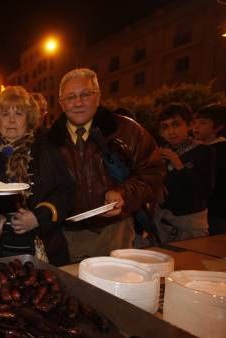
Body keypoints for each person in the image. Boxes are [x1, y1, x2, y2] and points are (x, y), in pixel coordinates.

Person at [47, 68, 164, 262]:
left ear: (98, 97)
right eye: (70, 97)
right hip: (66, 235)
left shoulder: (126, 130)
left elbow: (153, 173)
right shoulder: (49, 140)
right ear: (61, 103)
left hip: (115, 231)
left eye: (85, 94)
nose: (78, 103)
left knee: (117, 287)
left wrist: (123, 194)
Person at [0, 86, 74, 265]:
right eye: (5, 113)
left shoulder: (46, 148)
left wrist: (39, 217)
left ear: (29, 119)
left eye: (19, 114)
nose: (11, 120)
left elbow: (66, 191)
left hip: (42, 245)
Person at [155, 103, 215, 242]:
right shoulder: (160, 153)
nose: (171, 131)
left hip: (191, 223)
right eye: (165, 127)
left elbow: (205, 190)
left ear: (189, 125)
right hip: (162, 222)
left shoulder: (204, 151)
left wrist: (179, 166)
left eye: (176, 124)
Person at [193, 103, 226, 234]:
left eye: (202, 123)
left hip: (216, 212)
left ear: (219, 127)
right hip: (196, 210)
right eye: (195, 122)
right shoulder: (195, 148)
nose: (196, 127)